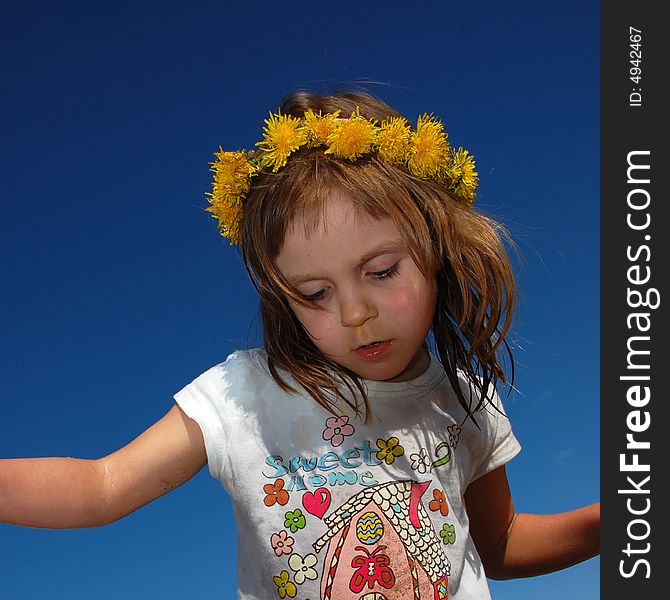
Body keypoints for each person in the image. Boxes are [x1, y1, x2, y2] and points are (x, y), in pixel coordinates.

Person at [0, 90, 599, 599]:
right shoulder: (244, 396)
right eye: (313, 292)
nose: (355, 311)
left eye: (382, 270)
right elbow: (102, 486)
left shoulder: (463, 401)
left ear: (436, 249)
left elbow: (500, 543)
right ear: (282, 299)